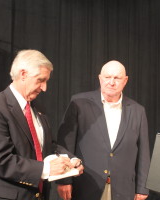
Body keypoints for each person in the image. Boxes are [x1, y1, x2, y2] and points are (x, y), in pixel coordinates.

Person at [0, 49, 83, 200]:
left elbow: (49, 146)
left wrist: (70, 160)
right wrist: (47, 169)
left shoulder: (38, 109)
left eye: (46, 81)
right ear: (23, 74)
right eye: (40, 80)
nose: (44, 88)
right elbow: (0, 161)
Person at [56, 60, 150, 200]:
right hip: (86, 186)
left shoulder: (137, 110)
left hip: (123, 190)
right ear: (100, 78)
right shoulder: (79, 103)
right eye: (107, 77)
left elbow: (143, 152)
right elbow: (65, 144)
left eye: (117, 78)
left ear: (125, 81)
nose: (111, 82)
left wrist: (143, 187)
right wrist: (64, 180)